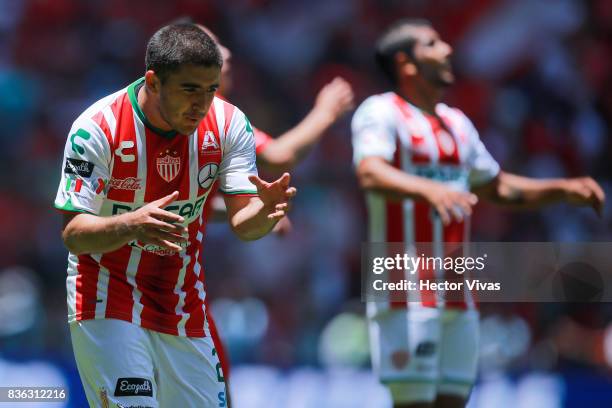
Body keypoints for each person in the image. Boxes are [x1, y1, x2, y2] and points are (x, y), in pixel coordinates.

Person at [351, 19, 605, 408]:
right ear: (406, 63)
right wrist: (429, 187)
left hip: (457, 290)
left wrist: (562, 189)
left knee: (455, 402)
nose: (447, 49)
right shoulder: (381, 112)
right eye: (432, 44)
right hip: (405, 286)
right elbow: (370, 171)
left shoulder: (456, 123)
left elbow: (497, 186)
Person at [54, 23, 296, 407]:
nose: (202, 104)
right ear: (153, 81)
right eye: (189, 89)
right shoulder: (97, 128)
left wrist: (264, 213)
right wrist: (130, 224)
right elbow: (73, 233)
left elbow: (242, 224)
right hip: (106, 295)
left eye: (211, 89)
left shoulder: (231, 124)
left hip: (182, 304)